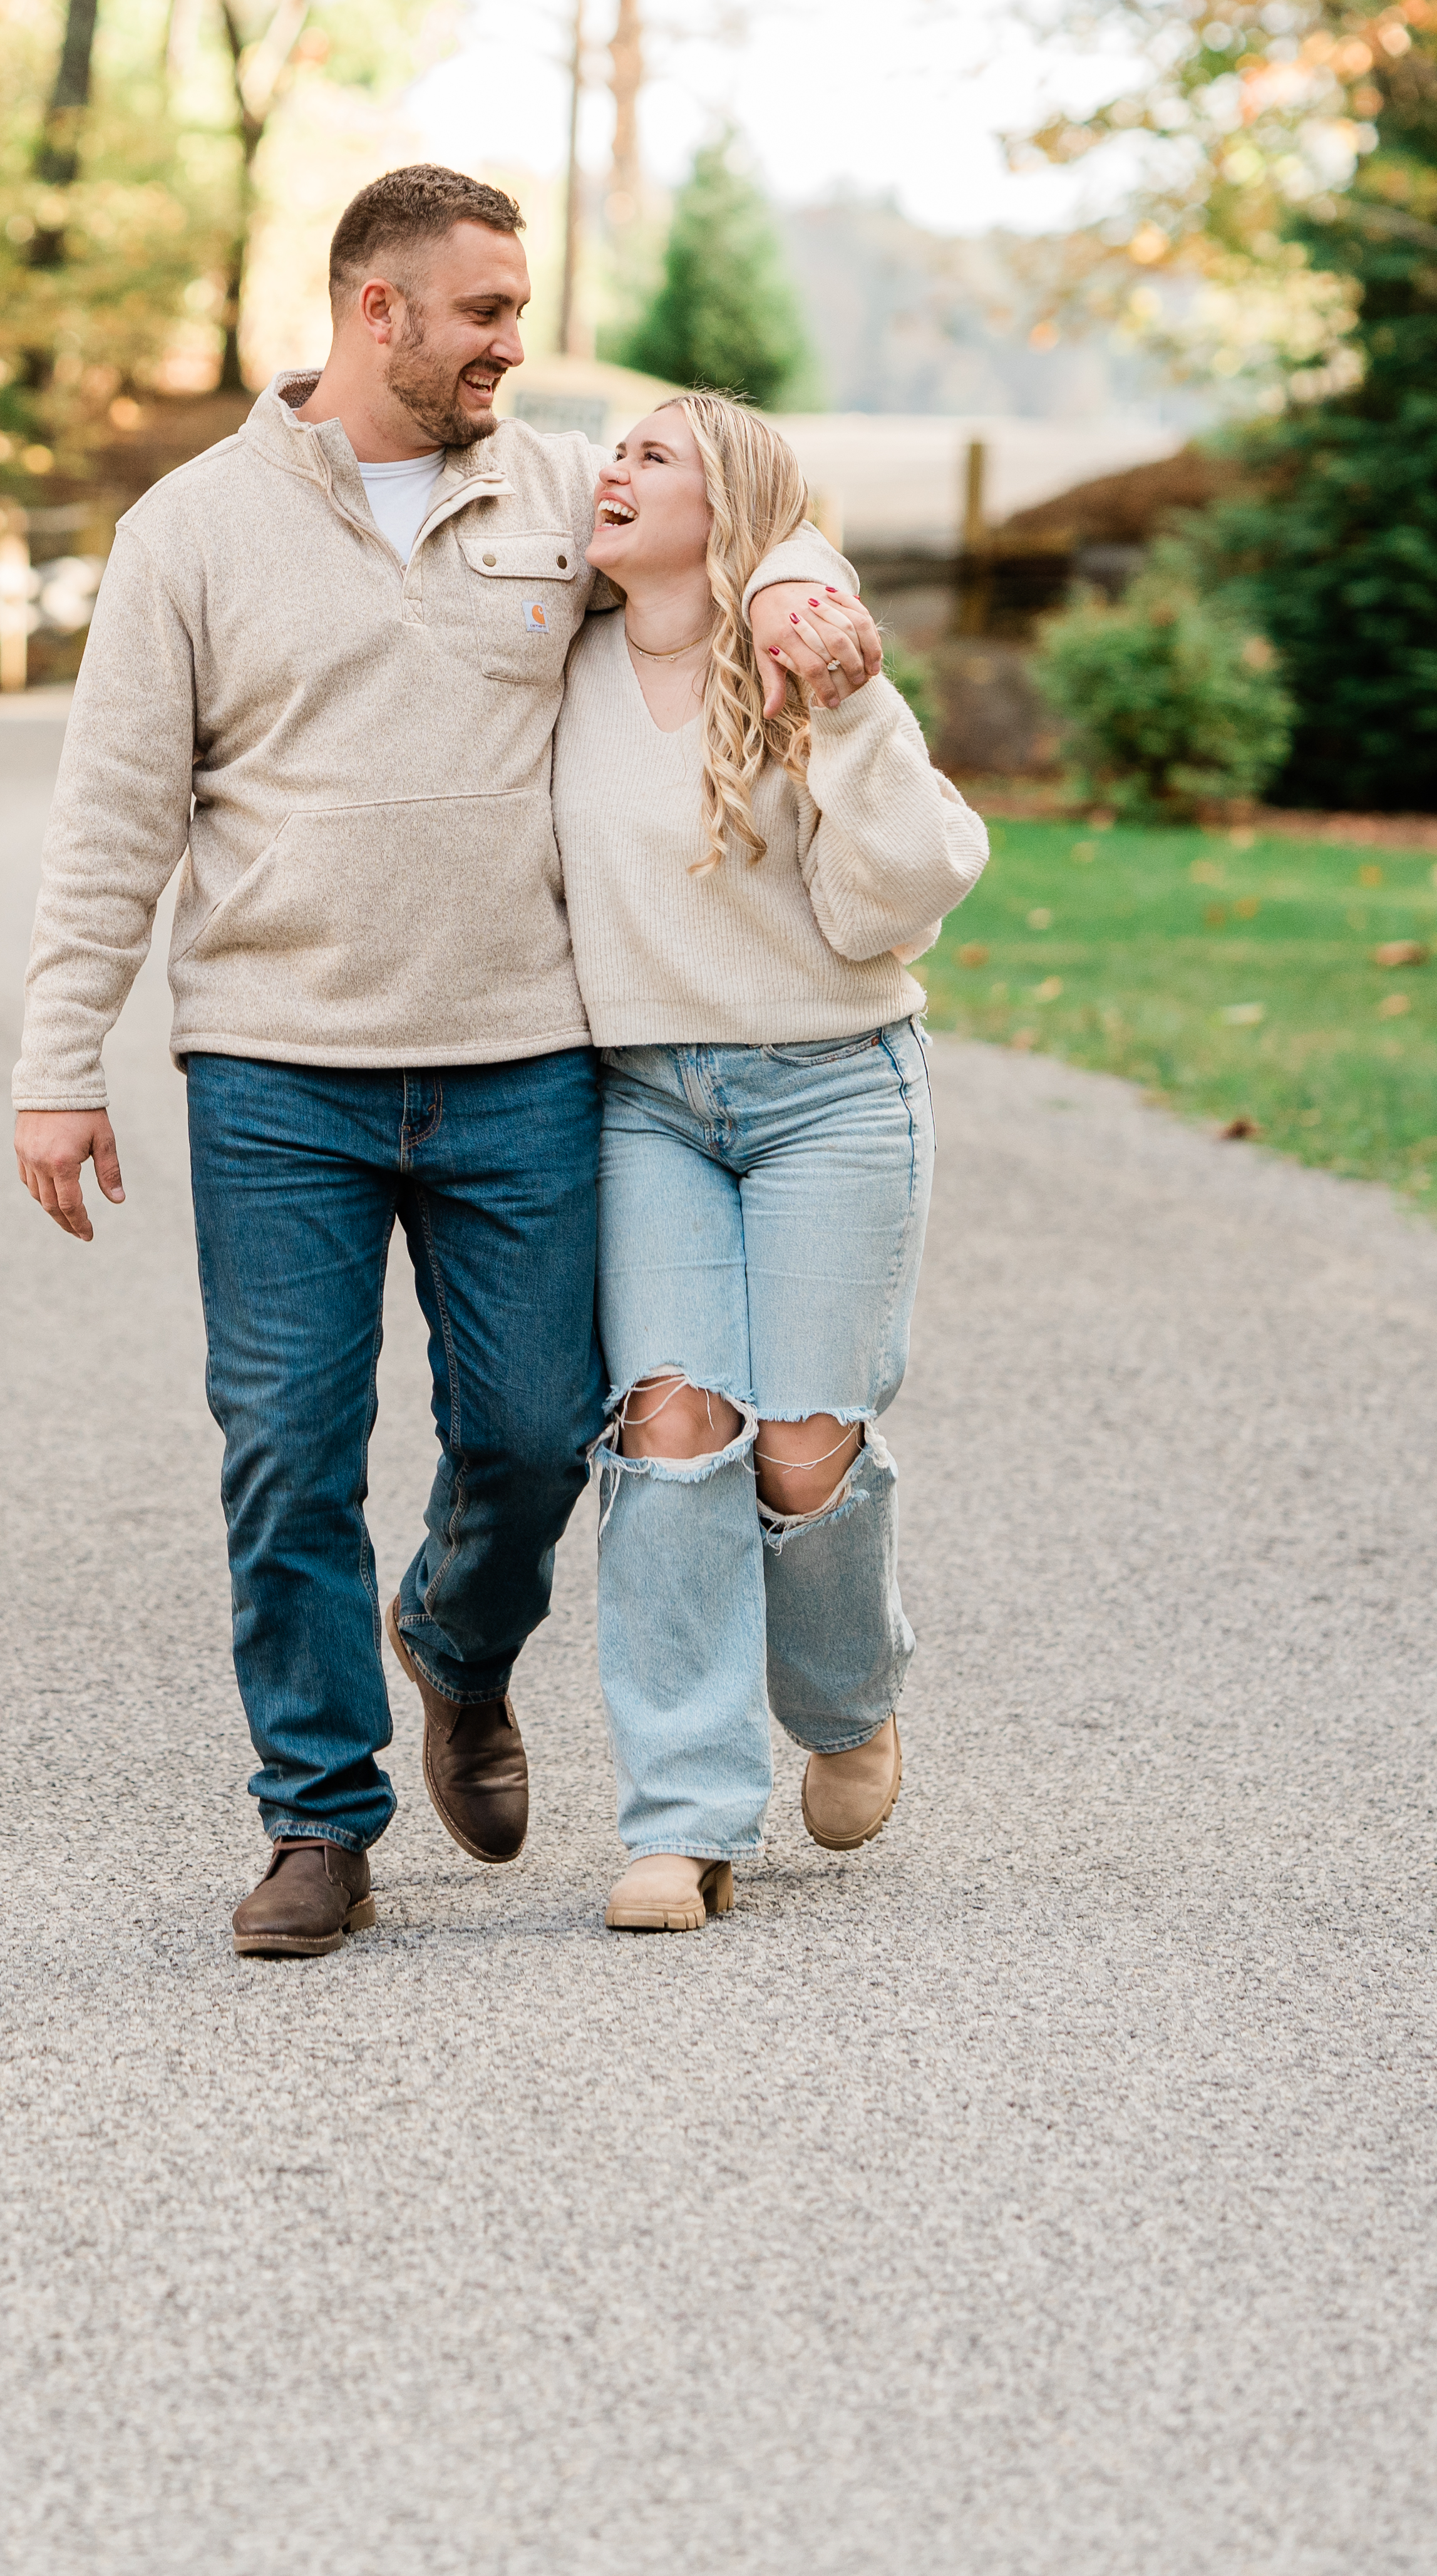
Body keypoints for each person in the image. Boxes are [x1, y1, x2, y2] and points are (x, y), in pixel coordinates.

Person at [9, 164, 882, 1960]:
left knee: (533, 1435)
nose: (513, 342)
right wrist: (58, 1058)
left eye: (517, 307)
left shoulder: (559, 488)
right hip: (275, 1069)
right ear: (375, 310)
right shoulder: (190, 527)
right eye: (482, 311)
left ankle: (461, 1649)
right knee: (285, 1449)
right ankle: (319, 1823)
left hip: (520, 1062)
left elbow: (744, 507)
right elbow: (112, 814)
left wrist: (795, 586)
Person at [558, 389, 988, 1930]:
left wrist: (847, 695)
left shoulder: (806, 667)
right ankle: (681, 1820)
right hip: (640, 1101)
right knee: (672, 1439)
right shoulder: (556, 655)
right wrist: (791, 553)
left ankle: (847, 1697)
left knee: (807, 1452)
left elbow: (901, 903)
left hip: (830, 1090)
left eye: (650, 456)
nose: (610, 470)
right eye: (609, 451)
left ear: (727, 512)